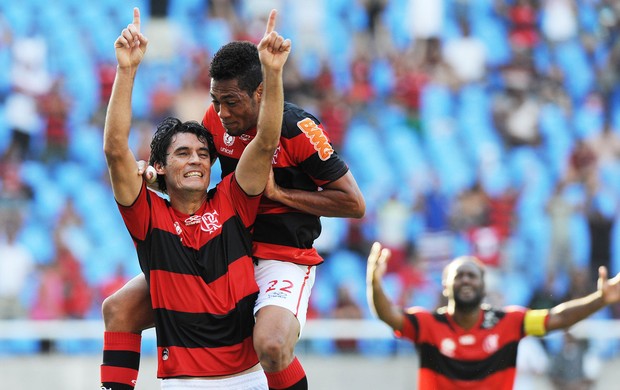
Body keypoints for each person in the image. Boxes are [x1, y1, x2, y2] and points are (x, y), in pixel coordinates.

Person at [100, 10, 365, 390]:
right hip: (229, 245)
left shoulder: (298, 130)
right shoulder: (215, 121)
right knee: (119, 308)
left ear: (259, 93)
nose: (222, 113)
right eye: (216, 101)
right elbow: (144, 158)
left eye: (231, 102)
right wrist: (156, 180)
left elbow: (352, 202)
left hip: (280, 253)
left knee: (271, 345)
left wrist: (279, 193)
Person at [366, 241, 620, 390]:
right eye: (459, 276)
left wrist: (600, 299)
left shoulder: (510, 322)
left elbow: (558, 318)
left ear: (484, 286)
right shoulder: (427, 324)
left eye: (472, 275)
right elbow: (388, 315)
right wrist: (374, 284)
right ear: (446, 286)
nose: (466, 280)